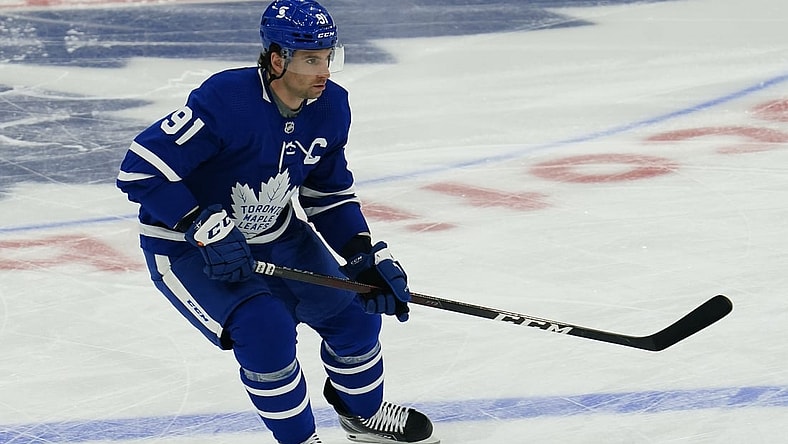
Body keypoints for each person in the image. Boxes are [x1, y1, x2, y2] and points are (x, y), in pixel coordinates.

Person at [116, 1, 439, 443]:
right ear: (276, 59)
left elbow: (327, 194)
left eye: (328, 57)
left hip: (278, 234)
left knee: (356, 316)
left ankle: (360, 416)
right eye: (310, 59)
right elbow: (139, 169)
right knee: (265, 332)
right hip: (189, 247)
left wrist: (361, 252)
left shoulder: (331, 108)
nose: (323, 70)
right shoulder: (227, 100)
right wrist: (197, 222)